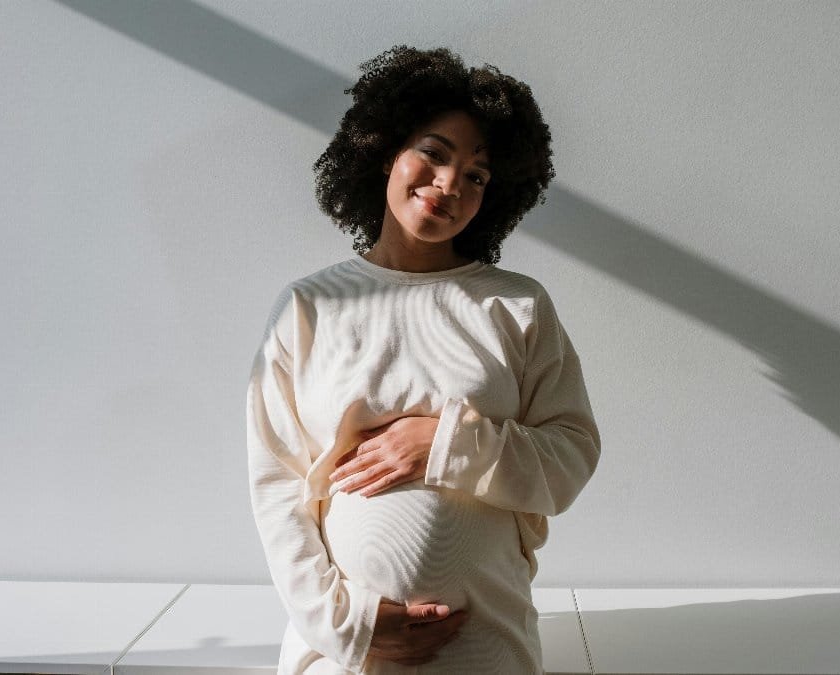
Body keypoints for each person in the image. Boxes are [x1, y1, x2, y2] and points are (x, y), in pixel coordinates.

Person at [247, 45, 601, 674]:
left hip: (487, 649)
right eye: (434, 154)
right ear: (386, 150)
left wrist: (444, 443)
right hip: (341, 659)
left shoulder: (516, 306)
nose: (449, 185)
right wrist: (347, 625)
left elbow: (570, 457)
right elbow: (277, 488)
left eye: (477, 176)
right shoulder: (309, 306)